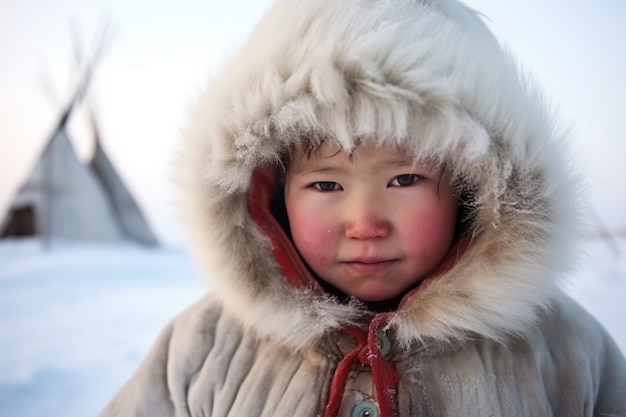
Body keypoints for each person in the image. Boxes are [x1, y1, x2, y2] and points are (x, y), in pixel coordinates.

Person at [99, 0, 626, 416]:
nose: (365, 224)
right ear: (269, 194)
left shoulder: (566, 355)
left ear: (474, 188)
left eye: (404, 178)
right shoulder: (204, 349)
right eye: (326, 185)